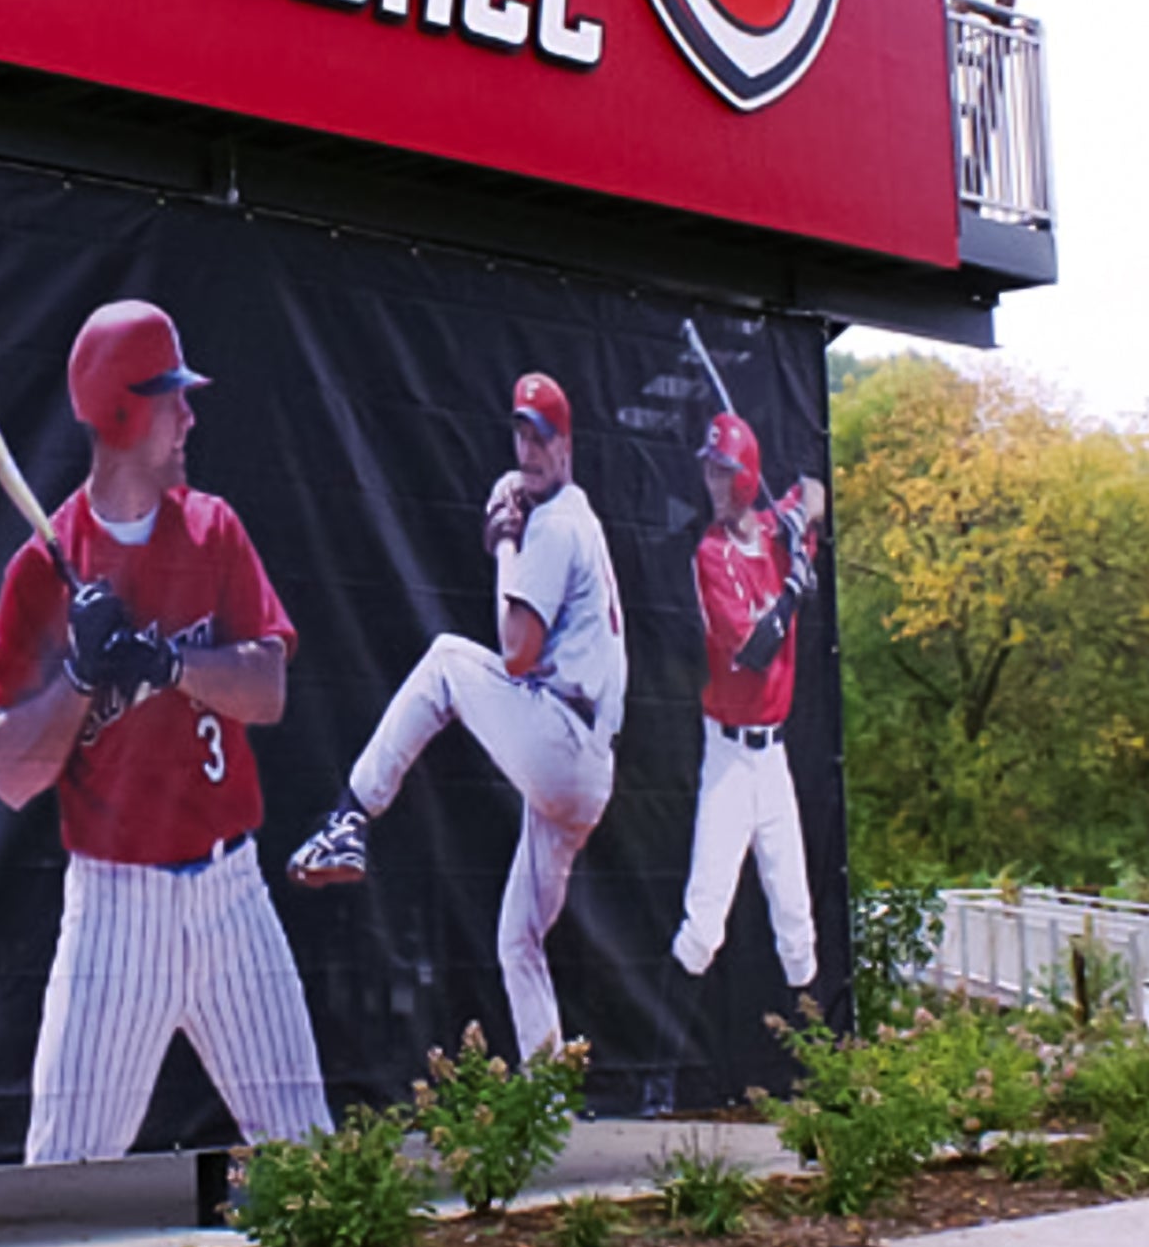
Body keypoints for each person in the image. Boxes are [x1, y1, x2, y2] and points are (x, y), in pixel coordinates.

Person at [0, 299, 330, 1164]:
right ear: (126, 412)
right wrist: (78, 676)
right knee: (60, 1180)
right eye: (173, 398)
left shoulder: (213, 530)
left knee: (315, 1164)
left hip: (231, 894)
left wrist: (172, 667)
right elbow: (8, 771)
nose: (190, 416)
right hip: (115, 910)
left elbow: (269, 688)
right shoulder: (44, 569)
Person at [287, 371, 626, 1063]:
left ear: (568, 445)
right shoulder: (574, 515)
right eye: (521, 432)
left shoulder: (557, 525)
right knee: (518, 938)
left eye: (543, 435)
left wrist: (502, 544)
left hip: (561, 740)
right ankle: (545, 1092)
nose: (529, 448)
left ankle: (350, 816)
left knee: (446, 660)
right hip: (584, 763)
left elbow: (515, 651)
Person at [644, 412, 825, 1113]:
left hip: (773, 757)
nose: (713, 481)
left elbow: (813, 489)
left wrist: (796, 522)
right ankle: (658, 1077)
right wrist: (793, 588)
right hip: (727, 754)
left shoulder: (774, 530)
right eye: (709, 470)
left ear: (746, 475)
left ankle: (817, 1072)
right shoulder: (711, 554)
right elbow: (751, 650)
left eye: (723, 470)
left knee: (796, 916)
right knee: (704, 919)